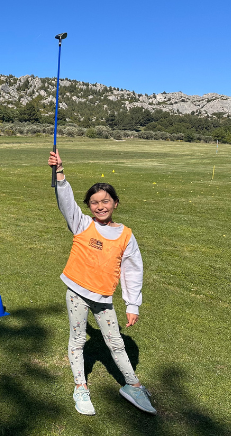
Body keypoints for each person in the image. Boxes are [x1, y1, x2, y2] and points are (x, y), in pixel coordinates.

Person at [48, 149, 156, 416]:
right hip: (77, 293)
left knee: (116, 343)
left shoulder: (126, 235)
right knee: (77, 340)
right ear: (89, 206)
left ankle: (132, 385)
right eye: (94, 202)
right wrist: (60, 173)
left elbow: (133, 270)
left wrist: (133, 305)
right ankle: (80, 387)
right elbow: (66, 202)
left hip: (103, 298)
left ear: (116, 203)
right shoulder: (82, 224)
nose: (100, 206)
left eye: (106, 201)